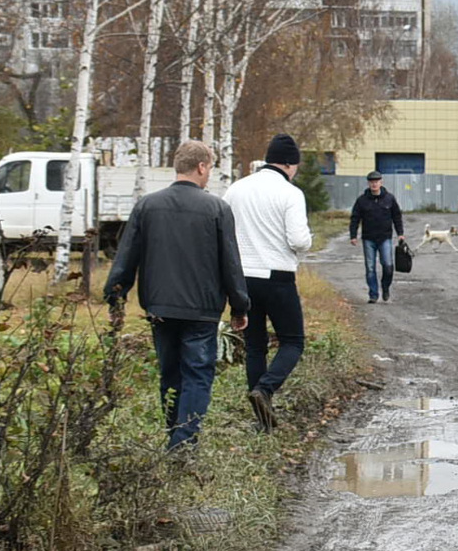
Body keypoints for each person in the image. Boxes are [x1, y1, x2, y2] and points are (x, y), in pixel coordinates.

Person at [103, 140, 250, 452]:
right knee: (197, 375)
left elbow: (126, 257)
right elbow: (230, 262)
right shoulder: (217, 209)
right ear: (201, 167)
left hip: (159, 306)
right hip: (202, 310)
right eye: (209, 167)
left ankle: (174, 433)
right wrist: (240, 306)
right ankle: (182, 443)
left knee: (170, 374)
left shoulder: (147, 206)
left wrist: (116, 298)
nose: (209, 174)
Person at [228, 134, 314, 433]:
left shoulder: (236, 189)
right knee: (293, 341)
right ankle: (264, 390)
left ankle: (262, 422)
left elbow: (225, 233)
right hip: (277, 277)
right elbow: (299, 240)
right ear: (291, 164)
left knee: (255, 346)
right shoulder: (290, 193)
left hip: (242, 278)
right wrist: (307, 243)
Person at [349, 172, 404, 302]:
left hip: (385, 237)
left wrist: (400, 233)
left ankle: (385, 287)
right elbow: (355, 218)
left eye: (376, 181)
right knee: (370, 268)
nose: (374, 184)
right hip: (368, 238)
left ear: (381, 182)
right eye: (371, 182)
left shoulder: (389, 199)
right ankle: (373, 294)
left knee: (388, 265)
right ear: (368, 183)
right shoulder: (362, 200)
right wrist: (353, 235)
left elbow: (397, 217)